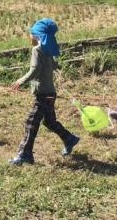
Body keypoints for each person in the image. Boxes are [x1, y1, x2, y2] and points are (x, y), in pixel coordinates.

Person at [9, 18, 80, 165]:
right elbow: (54, 66)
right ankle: (69, 139)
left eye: (31, 33)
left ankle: (25, 155)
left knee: (31, 123)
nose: (29, 36)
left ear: (37, 35)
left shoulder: (37, 50)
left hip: (43, 95)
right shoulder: (49, 49)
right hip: (51, 94)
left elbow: (35, 70)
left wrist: (21, 81)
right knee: (49, 121)